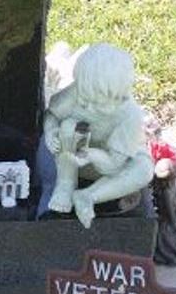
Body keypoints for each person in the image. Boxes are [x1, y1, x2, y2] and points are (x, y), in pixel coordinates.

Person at [43, 43, 153, 228]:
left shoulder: (130, 116)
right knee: (69, 125)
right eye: (85, 101)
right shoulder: (79, 91)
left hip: (111, 167)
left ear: (120, 96)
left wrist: (92, 155)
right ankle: (66, 184)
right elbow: (52, 115)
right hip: (70, 159)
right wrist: (50, 132)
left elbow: (113, 166)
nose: (89, 108)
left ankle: (89, 195)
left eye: (98, 104)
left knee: (144, 169)